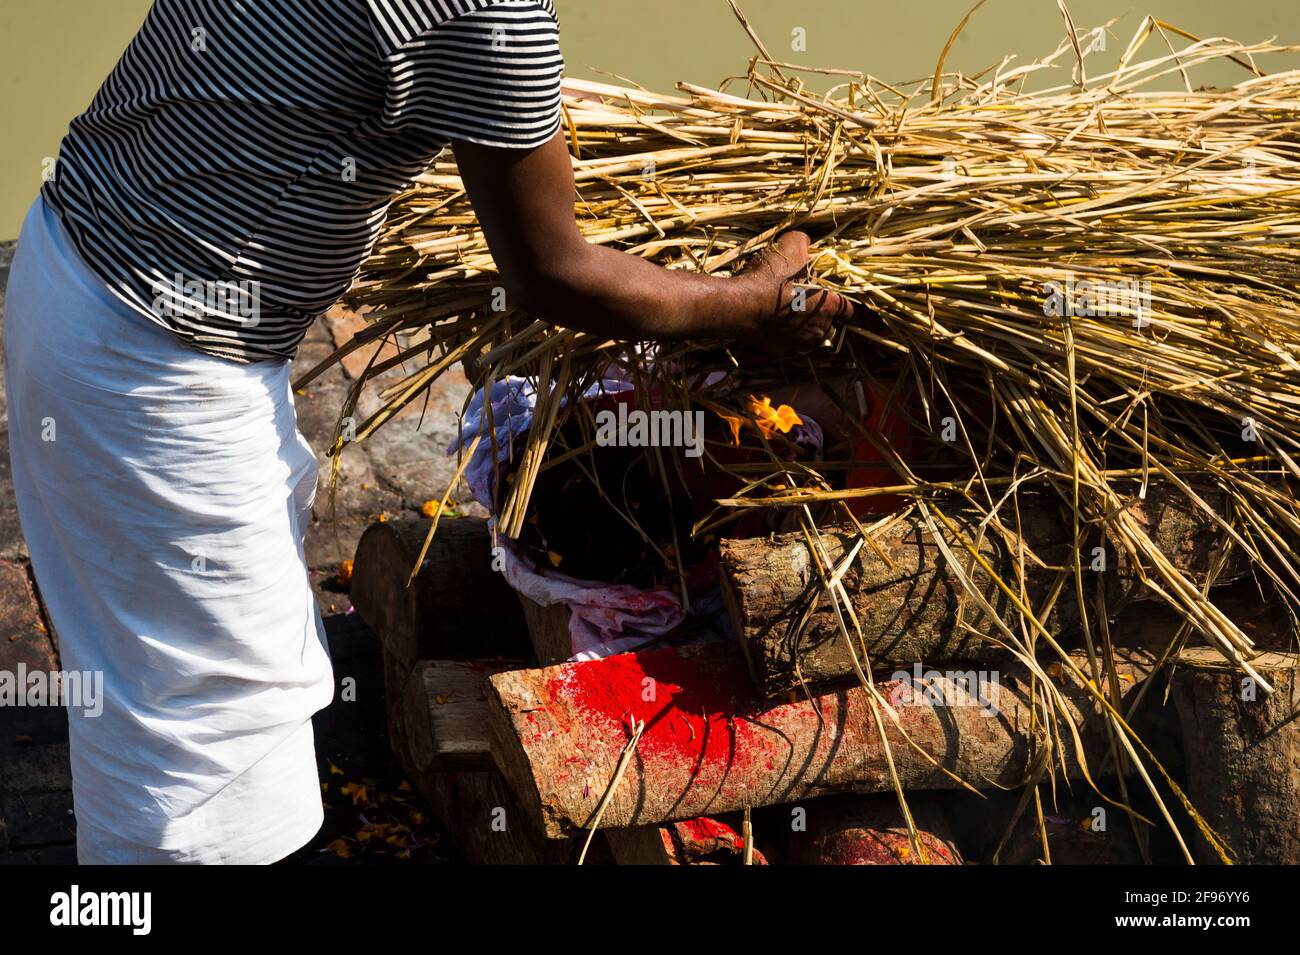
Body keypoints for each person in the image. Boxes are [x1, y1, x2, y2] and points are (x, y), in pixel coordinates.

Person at [4, 0, 853, 864]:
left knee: (154, 705)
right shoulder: (491, 10)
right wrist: (757, 301)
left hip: (75, 266)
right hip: (153, 370)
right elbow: (554, 272)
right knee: (224, 769)